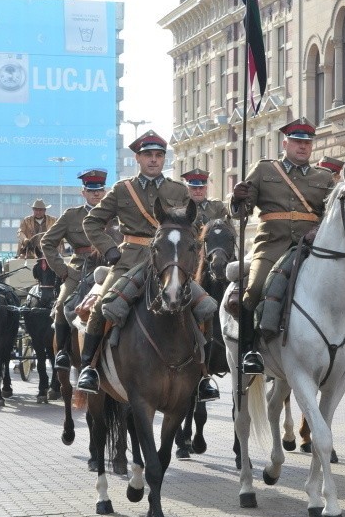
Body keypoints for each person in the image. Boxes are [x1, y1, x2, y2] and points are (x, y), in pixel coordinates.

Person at [76, 130, 219, 400]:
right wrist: (109, 250)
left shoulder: (178, 190)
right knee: (102, 304)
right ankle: (89, 369)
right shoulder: (121, 189)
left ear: (164, 158)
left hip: (169, 262)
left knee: (206, 307)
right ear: (138, 158)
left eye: (158, 155)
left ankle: (204, 375)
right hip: (129, 258)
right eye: (148, 155)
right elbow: (92, 222)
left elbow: (194, 227)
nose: (154, 160)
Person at [230, 118, 333, 374]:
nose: (303, 147)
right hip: (272, 246)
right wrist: (237, 199)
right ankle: (250, 350)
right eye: (298, 142)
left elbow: (332, 214)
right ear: (285, 143)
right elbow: (242, 213)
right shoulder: (265, 171)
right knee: (254, 289)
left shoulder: (324, 176)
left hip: (311, 248)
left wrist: (317, 231)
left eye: (307, 143)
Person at [41, 168, 108, 371]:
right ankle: (61, 352)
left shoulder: (115, 216)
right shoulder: (71, 216)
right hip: (79, 269)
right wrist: (63, 270)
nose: (96, 193)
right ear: (84, 192)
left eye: (100, 190)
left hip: (110, 267)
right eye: (91, 190)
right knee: (62, 304)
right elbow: (47, 242)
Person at [181, 168, 228, 233]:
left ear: (206, 189)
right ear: (188, 189)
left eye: (201, 188)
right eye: (194, 188)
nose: (198, 191)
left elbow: (229, 231)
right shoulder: (181, 208)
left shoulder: (217, 207)